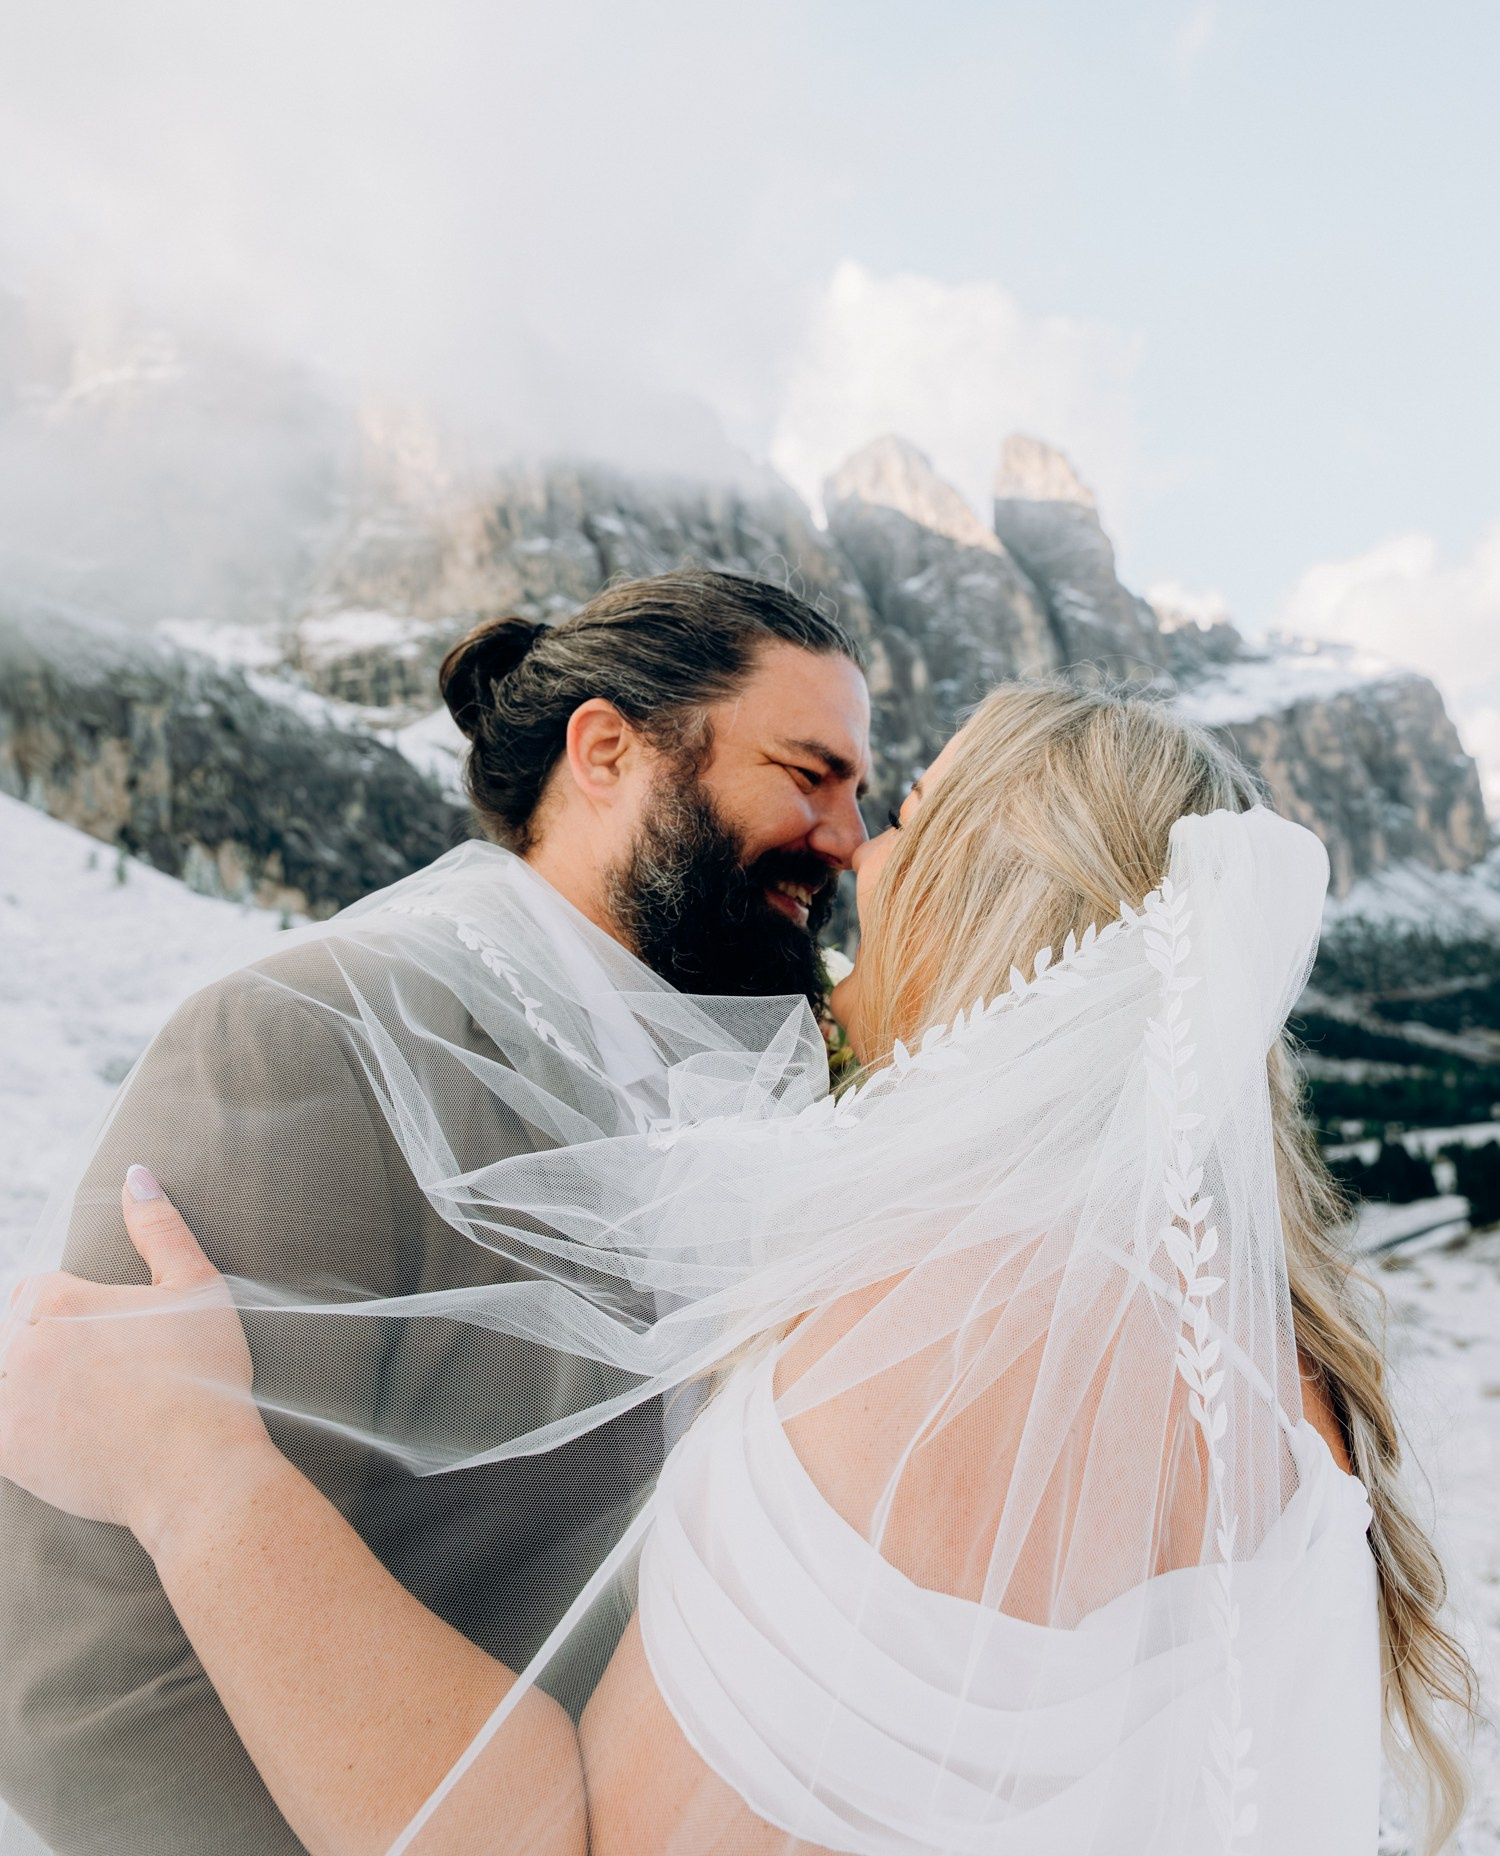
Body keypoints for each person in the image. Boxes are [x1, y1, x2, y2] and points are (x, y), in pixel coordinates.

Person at [0, 683, 1477, 1856]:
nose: (863, 858)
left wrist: (197, 1470)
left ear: (987, 903)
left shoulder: (942, 1335)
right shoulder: (1287, 1375)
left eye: (910, 820)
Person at [0, 570, 872, 1856]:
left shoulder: (754, 1098)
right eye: (810, 773)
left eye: (859, 791)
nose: (847, 835)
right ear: (607, 751)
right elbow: (86, 1664)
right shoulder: (298, 1041)